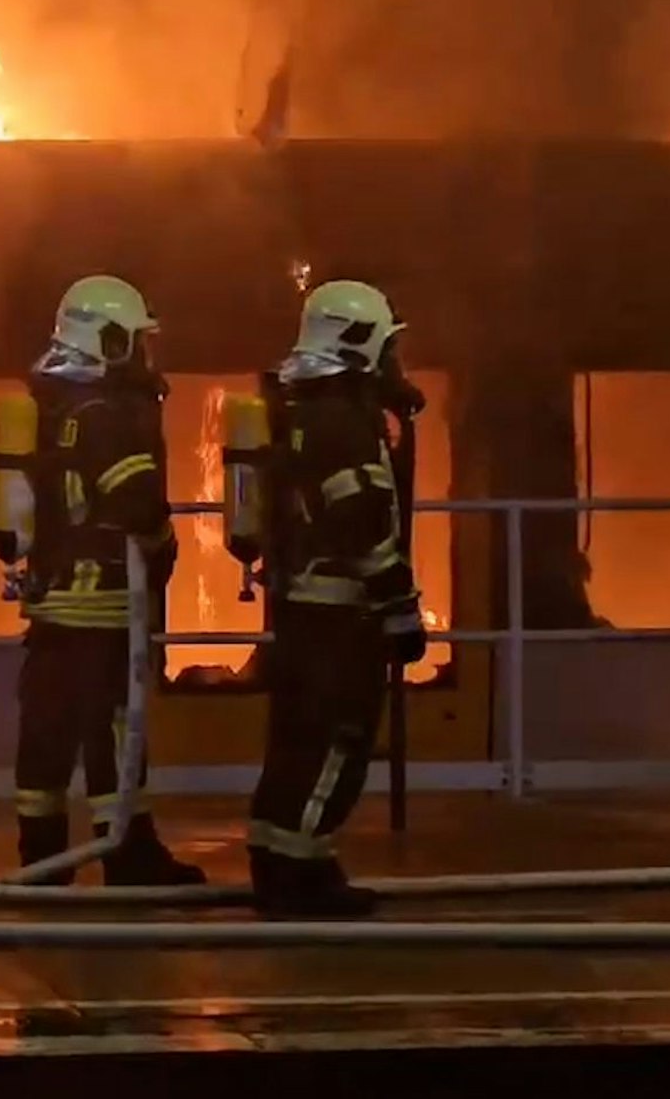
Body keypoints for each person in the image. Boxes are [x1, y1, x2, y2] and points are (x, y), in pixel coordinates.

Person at [13, 275, 205, 886]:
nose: (145, 353)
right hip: (105, 606)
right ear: (111, 339)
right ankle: (128, 853)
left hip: (50, 607)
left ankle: (42, 859)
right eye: (136, 339)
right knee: (116, 733)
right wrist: (164, 547)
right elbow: (138, 502)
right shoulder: (110, 414)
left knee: (46, 735)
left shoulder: (49, 404)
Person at [248, 280, 427, 917]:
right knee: (337, 742)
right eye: (386, 349)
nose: (393, 364)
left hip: (302, 610)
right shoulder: (346, 422)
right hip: (341, 616)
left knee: (296, 742)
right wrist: (398, 605)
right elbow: (363, 520)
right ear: (357, 345)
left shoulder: (301, 411)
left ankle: (288, 859)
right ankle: (296, 876)